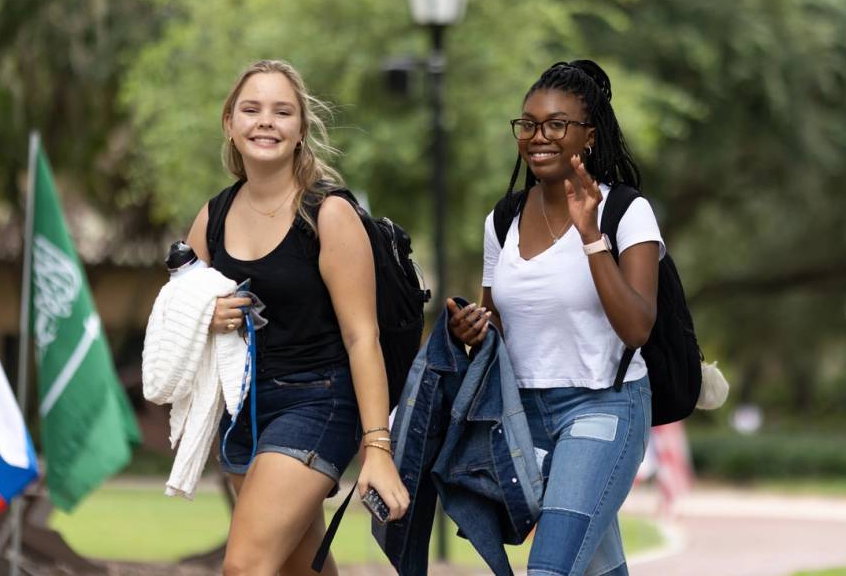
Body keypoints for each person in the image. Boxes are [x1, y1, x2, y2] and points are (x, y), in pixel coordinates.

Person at [185, 59, 409, 575]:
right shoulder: (212, 217)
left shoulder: (327, 213)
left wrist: (377, 447)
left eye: (282, 111)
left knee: (245, 566)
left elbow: (362, 337)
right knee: (296, 566)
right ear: (230, 124)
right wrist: (206, 313)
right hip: (242, 407)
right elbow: (178, 310)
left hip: (317, 400)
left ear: (301, 129)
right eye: (251, 109)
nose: (266, 121)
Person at [448, 59, 662, 576]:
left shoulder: (626, 213)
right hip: (525, 417)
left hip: (603, 407)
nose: (539, 136)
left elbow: (637, 327)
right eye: (529, 124)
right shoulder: (501, 221)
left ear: (588, 136)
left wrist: (592, 238)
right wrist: (471, 329)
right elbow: (499, 326)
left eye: (556, 124)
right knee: (596, 568)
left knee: (550, 569)